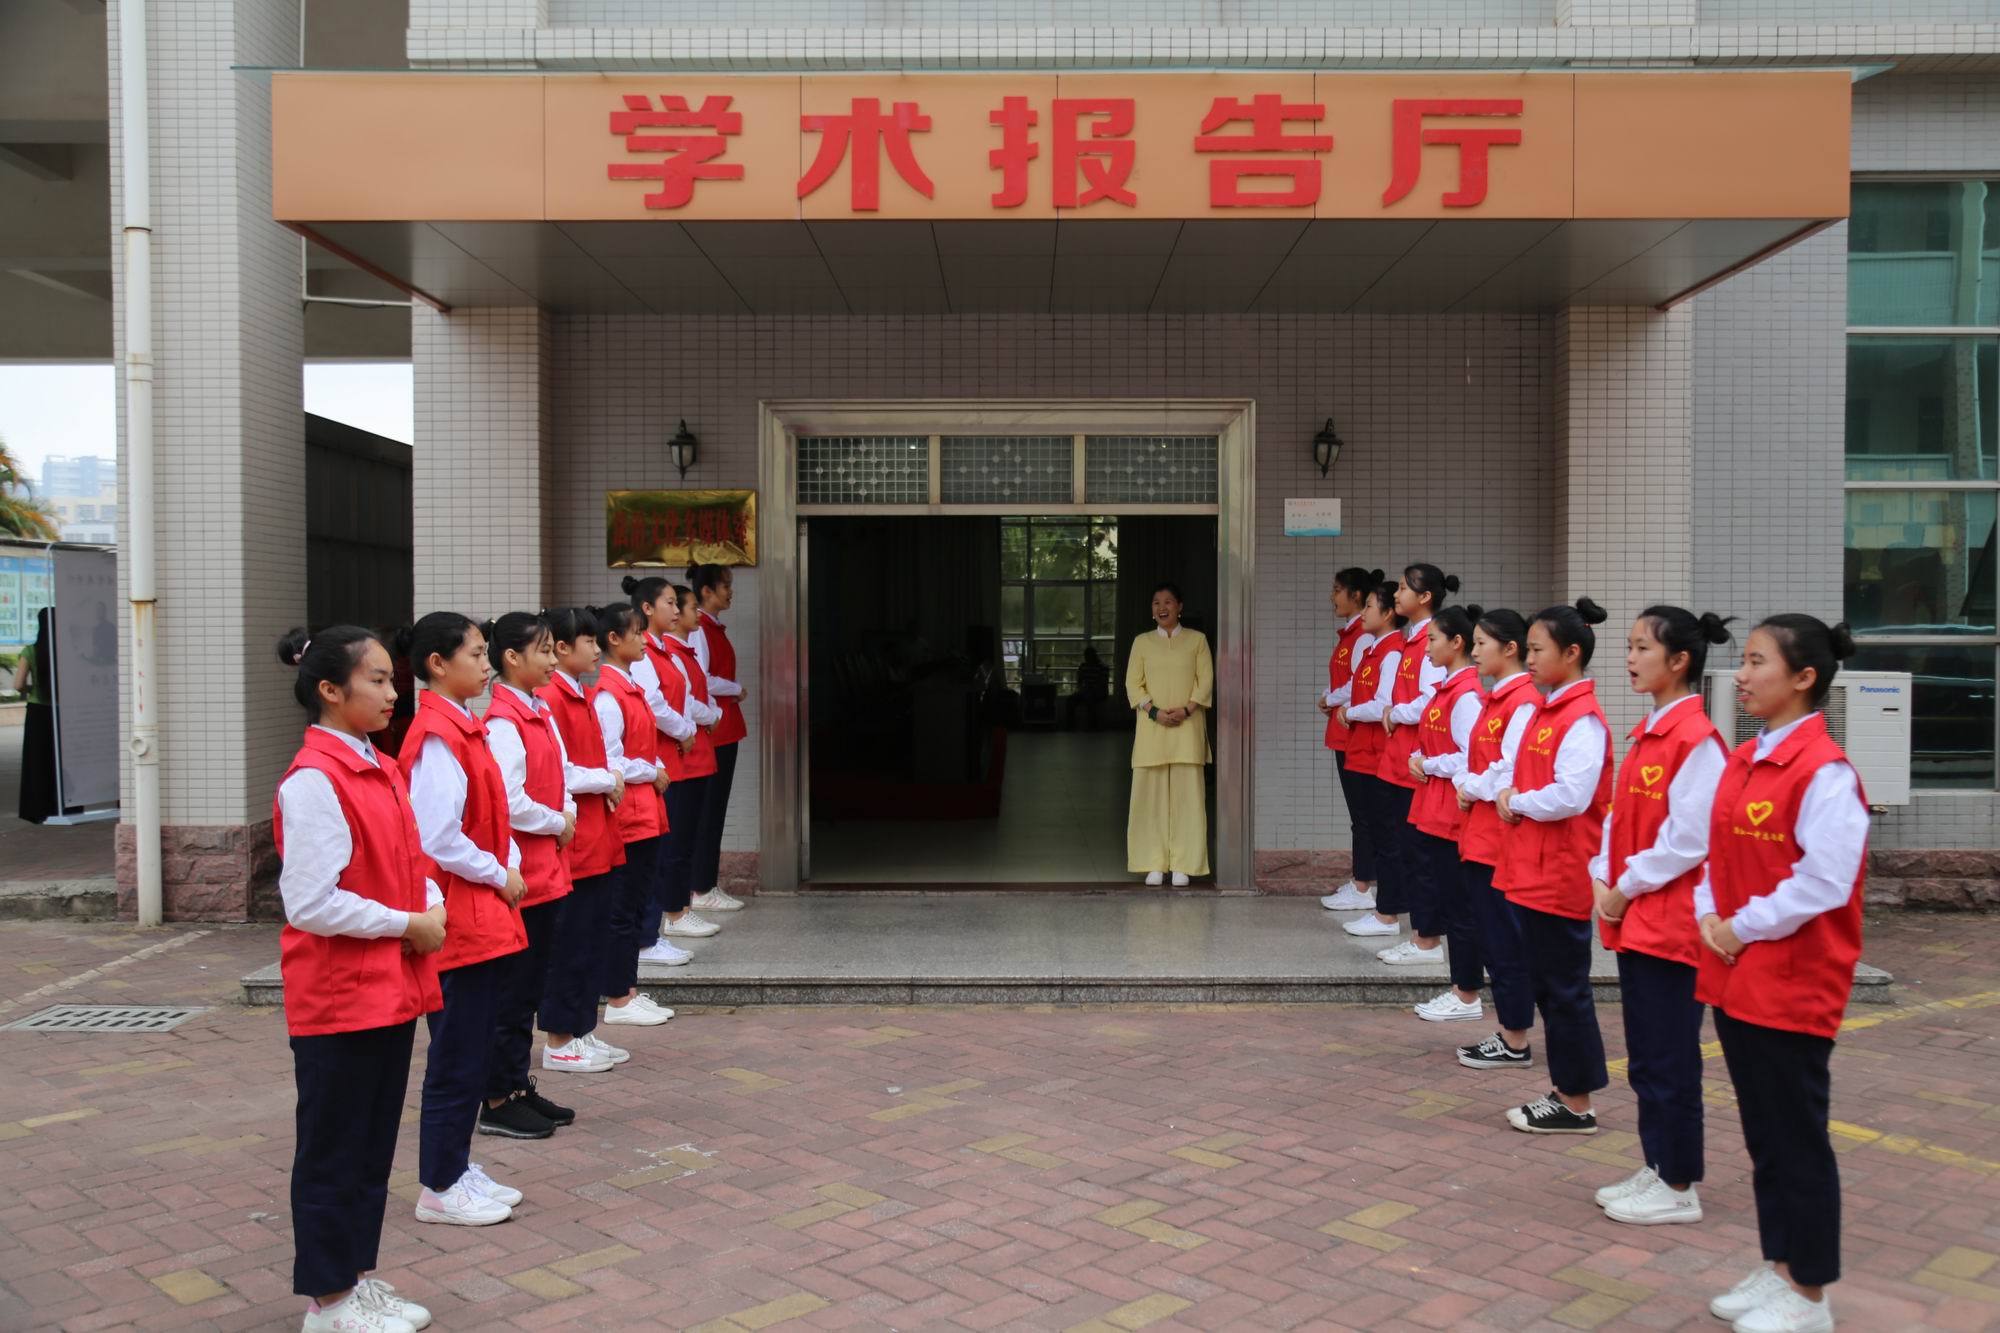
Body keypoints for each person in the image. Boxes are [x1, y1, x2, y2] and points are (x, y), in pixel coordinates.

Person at [1696, 616, 1868, 1333]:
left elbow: (1823, 882)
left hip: (1790, 978)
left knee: (1797, 1135)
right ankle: (1778, 1264)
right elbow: (1715, 852)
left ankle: (1809, 1292)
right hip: (1737, 971)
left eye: (1757, 661)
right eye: (1743, 660)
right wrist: (1709, 911)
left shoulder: (1825, 773)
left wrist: (1737, 926)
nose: (1740, 674)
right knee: (1764, 1133)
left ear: (1804, 678)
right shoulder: (1746, 756)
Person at [273, 626, 443, 1333]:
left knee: (371, 1147)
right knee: (335, 1149)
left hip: (386, 986)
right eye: (375, 679)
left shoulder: (377, 763)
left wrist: (426, 899)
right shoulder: (315, 780)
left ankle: (356, 1279)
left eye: (389, 677)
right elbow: (310, 900)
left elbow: (406, 855)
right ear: (330, 690)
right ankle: (328, 1300)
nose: (391, 690)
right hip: (342, 994)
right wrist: (410, 921)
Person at [1589, 606, 1733, 1228]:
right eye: (1628, 646)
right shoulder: (1650, 732)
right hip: (1640, 916)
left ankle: (1678, 1183)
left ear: (1679, 662)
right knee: (1647, 1053)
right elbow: (1620, 819)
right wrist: (1602, 870)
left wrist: (1621, 886)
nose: (1629, 657)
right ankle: (1658, 1164)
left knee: (1670, 1055)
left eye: (1642, 647)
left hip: (1670, 924)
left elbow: (1689, 839)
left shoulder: (1696, 740)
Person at [398, 612, 527, 1228]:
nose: (486, 664)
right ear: (437, 664)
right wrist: (498, 872)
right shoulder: (436, 737)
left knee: (472, 1049)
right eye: (476, 654)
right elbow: (437, 835)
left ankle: (456, 1165)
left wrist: (506, 861)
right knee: (456, 1056)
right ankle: (440, 1184)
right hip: (460, 916)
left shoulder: (462, 728)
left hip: (479, 912)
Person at [1494, 598, 1613, 1135]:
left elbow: (1572, 795)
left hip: (1560, 873)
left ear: (1571, 653)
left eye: (1539, 649)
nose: (1532, 658)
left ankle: (1576, 1100)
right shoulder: (1547, 710)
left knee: (1564, 989)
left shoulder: (1582, 719)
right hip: (1535, 869)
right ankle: (1569, 1093)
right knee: (1550, 986)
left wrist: (1516, 800)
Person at [482, 612, 602, 1100]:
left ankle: (518, 1088)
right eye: (546, 650)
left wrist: (566, 812)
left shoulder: (537, 710)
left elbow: (561, 772)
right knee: (514, 994)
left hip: (548, 867)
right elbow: (510, 801)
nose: (555, 660)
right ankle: (503, 1094)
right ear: (513, 658)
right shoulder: (504, 722)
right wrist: (559, 821)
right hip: (527, 872)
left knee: (528, 989)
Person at [535, 609, 637, 1056]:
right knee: (571, 942)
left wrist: (608, 777)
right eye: (589, 642)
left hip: (598, 835)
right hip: (578, 838)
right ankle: (560, 1038)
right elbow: (560, 772)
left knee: (591, 939)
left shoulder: (580, 693)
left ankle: (580, 1029)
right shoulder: (553, 698)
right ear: (562, 648)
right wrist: (607, 780)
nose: (598, 650)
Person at [1451, 609, 1542, 1068]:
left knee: (1505, 939)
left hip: (1498, 838)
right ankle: (1509, 1031)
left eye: (1482, 642)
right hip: (1479, 835)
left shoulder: (1522, 702)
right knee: (1492, 936)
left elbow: (1510, 770)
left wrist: (1472, 787)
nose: (1475, 650)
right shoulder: (1494, 700)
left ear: (1510, 649)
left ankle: (1515, 1038)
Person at [589, 602, 675, 1026]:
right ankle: (619, 997)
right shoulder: (608, 696)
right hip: (630, 811)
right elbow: (613, 760)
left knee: (636, 902)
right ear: (614, 640)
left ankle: (629, 988)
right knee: (624, 907)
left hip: (644, 808)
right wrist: (651, 769)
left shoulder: (626, 687)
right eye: (637, 633)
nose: (644, 640)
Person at [1369, 564, 1456, 963]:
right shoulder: (1412, 640)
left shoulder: (1429, 642)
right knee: (1403, 847)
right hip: (1400, 760)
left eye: (1404, 588)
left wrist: (1395, 712)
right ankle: (1421, 933)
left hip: (1415, 762)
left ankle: (1428, 939)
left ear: (1425, 597)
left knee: (1417, 853)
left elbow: (1430, 699)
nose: (1397, 594)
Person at [623, 575, 709, 963]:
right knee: (659, 853)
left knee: (670, 847)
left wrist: (688, 726)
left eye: (678, 604)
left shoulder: (666, 652)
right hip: (657, 761)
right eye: (670, 603)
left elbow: (685, 698)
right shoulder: (644, 656)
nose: (676, 610)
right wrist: (686, 729)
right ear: (647, 609)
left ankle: (658, 926)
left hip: (673, 758)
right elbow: (654, 706)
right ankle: (652, 931)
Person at [1405, 605, 1487, 1013]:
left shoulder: (1467, 696)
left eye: (1433, 639)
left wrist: (1428, 763)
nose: (1426, 647)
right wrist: (1421, 756)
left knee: (1459, 905)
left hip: (1451, 811)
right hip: (1434, 807)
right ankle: (1461, 988)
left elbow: (1471, 757)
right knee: (1447, 897)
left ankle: (1467, 992)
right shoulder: (1447, 690)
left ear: (1457, 643)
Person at [1124, 582, 1214, 886]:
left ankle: (1183, 865)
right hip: (1152, 732)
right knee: (1149, 801)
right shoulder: (1142, 642)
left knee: (1189, 801)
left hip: (1187, 732)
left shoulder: (1197, 641)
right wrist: (1154, 712)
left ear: (1180, 607)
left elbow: (1206, 682)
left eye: (1168, 602)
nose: (1162, 608)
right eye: (1156, 603)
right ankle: (1153, 863)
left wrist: (1187, 710)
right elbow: (1132, 685)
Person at [1333, 581, 1407, 939]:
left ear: (1389, 613)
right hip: (1363, 751)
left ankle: (1385, 913)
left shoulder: (1393, 653)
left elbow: (1384, 704)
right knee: (1370, 825)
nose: (1363, 613)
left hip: (1378, 754)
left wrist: (1350, 710)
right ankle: (1381, 910)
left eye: (1370, 607)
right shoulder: (1375, 650)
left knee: (1384, 833)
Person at [1319, 567, 1381, 912]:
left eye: (1337, 589)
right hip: (1343, 731)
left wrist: (1329, 698)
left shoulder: (1363, 637)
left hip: (1354, 735)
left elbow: (1359, 685)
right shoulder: (1351, 635)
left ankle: (1362, 886)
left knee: (1363, 813)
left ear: (1356, 595)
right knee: (1360, 813)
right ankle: (1361, 882)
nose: (1333, 596)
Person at [688, 564, 748, 914]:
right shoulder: (698, 629)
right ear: (706, 591)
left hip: (723, 726)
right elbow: (702, 678)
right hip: (715, 729)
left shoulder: (710, 627)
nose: (730, 591)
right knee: (709, 810)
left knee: (714, 808)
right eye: (725, 585)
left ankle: (706, 882)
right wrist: (736, 689)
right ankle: (700, 886)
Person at [13, 607, 55, 823]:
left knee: (36, 761)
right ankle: (58, 807)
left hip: (37, 711)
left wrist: (33, 689)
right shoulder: (65, 651)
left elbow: (18, 685)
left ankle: (36, 810)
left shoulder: (30, 651)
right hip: (60, 712)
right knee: (55, 761)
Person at [1067, 645, 1112, 730]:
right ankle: (1071, 727)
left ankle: (1092, 727)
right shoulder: (1083, 666)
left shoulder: (1102, 667)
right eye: (1086, 656)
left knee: (1090, 700)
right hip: (1086, 691)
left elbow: (1103, 684)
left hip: (1099, 692)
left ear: (1094, 656)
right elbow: (1079, 681)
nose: (1086, 658)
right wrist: (1082, 689)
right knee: (1069, 701)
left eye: (1088, 656)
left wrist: (1090, 689)